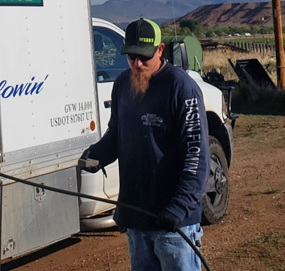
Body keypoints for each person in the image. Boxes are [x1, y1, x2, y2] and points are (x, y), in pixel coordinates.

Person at [81, 18, 210, 271]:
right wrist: (96, 155)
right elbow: (116, 134)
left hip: (174, 224)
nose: (137, 64)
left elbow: (197, 155)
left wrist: (179, 207)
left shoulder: (181, 87)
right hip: (137, 220)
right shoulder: (121, 85)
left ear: (160, 50)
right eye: (131, 57)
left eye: (144, 57)